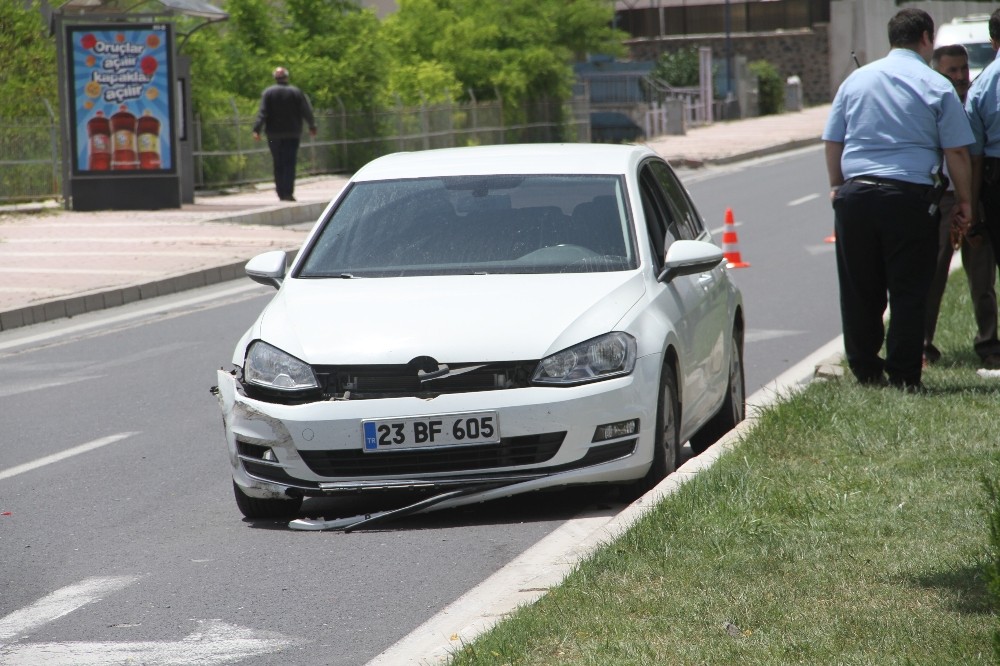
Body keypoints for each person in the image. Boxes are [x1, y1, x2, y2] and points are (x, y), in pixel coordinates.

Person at [823, 8, 974, 391]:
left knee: (860, 289)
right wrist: (965, 201)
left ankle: (866, 372)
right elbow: (956, 152)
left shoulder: (856, 81)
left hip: (856, 196)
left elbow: (833, 139)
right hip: (909, 198)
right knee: (908, 290)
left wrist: (837, 185)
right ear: (926, 38)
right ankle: (905, 375)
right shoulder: (935, 85)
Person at [924, 44, 1000, 369]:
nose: (958, 76)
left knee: (982, 279)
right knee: (932, 275)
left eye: (962, 69)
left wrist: (974, 202)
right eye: (950, 70)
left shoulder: (978, 97)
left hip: (977, 197)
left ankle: (989, 345)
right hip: (943, 200)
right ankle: (922, 345)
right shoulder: (928, 102)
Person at [252, 67, 317, 202]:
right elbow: (306, 111)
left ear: (275, 78)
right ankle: (288, 192)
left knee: (278, 162)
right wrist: (312, 126)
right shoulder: (296, 92)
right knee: (290, 162)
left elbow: (262, 113)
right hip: (292, 134)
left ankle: (280, 192)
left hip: (273, 136)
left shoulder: (268, 93)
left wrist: (257, 129)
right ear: (286, 77)